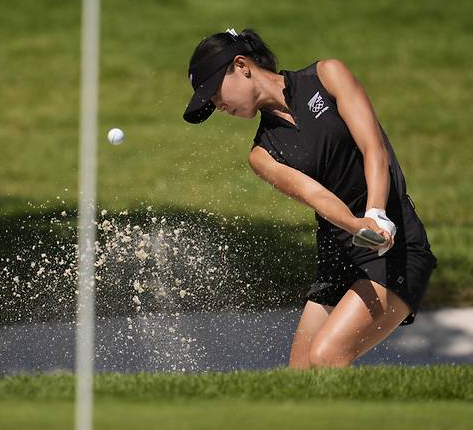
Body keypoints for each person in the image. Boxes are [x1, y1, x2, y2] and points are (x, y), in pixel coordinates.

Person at [183, 28, 437, 368]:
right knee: (300, 374)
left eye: (214, 92)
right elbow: (316, 195)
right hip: (340, 251)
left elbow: (373, 148)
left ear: (241, 65)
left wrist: (376, 213)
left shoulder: (326, 75)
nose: (217, 105)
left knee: (327, 356)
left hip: (396, 245)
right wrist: (357, 226)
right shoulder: (263, 154)